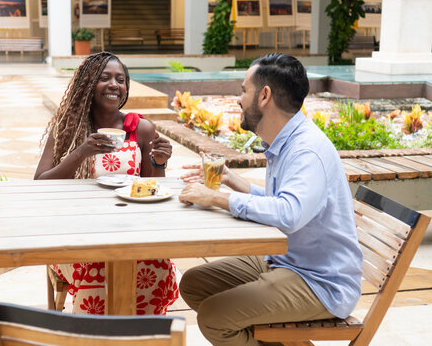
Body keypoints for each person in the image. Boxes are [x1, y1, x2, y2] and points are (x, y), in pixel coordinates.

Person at [178, 53, 363, 346]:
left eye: (243, 90)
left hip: (320, 282)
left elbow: (289, 214)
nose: (238, 99)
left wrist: (219, 199)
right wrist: (234, 182)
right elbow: (289, 202)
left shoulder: (306, 151)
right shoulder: (286, 142)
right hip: (285, 260)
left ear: (264, 95)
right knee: (194, 284)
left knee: (215, 317)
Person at [34, 52, 178, 315]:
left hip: (130, 232)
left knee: (157, 267)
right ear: (88, 84)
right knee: (98, 275)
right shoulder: (67, 127)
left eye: (120, 79)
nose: (114, 84)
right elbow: (39, 184)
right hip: (76, 235)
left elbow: (151, 190)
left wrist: (159, 163)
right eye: (105, 78)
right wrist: (81, 152)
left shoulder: (141, 129)